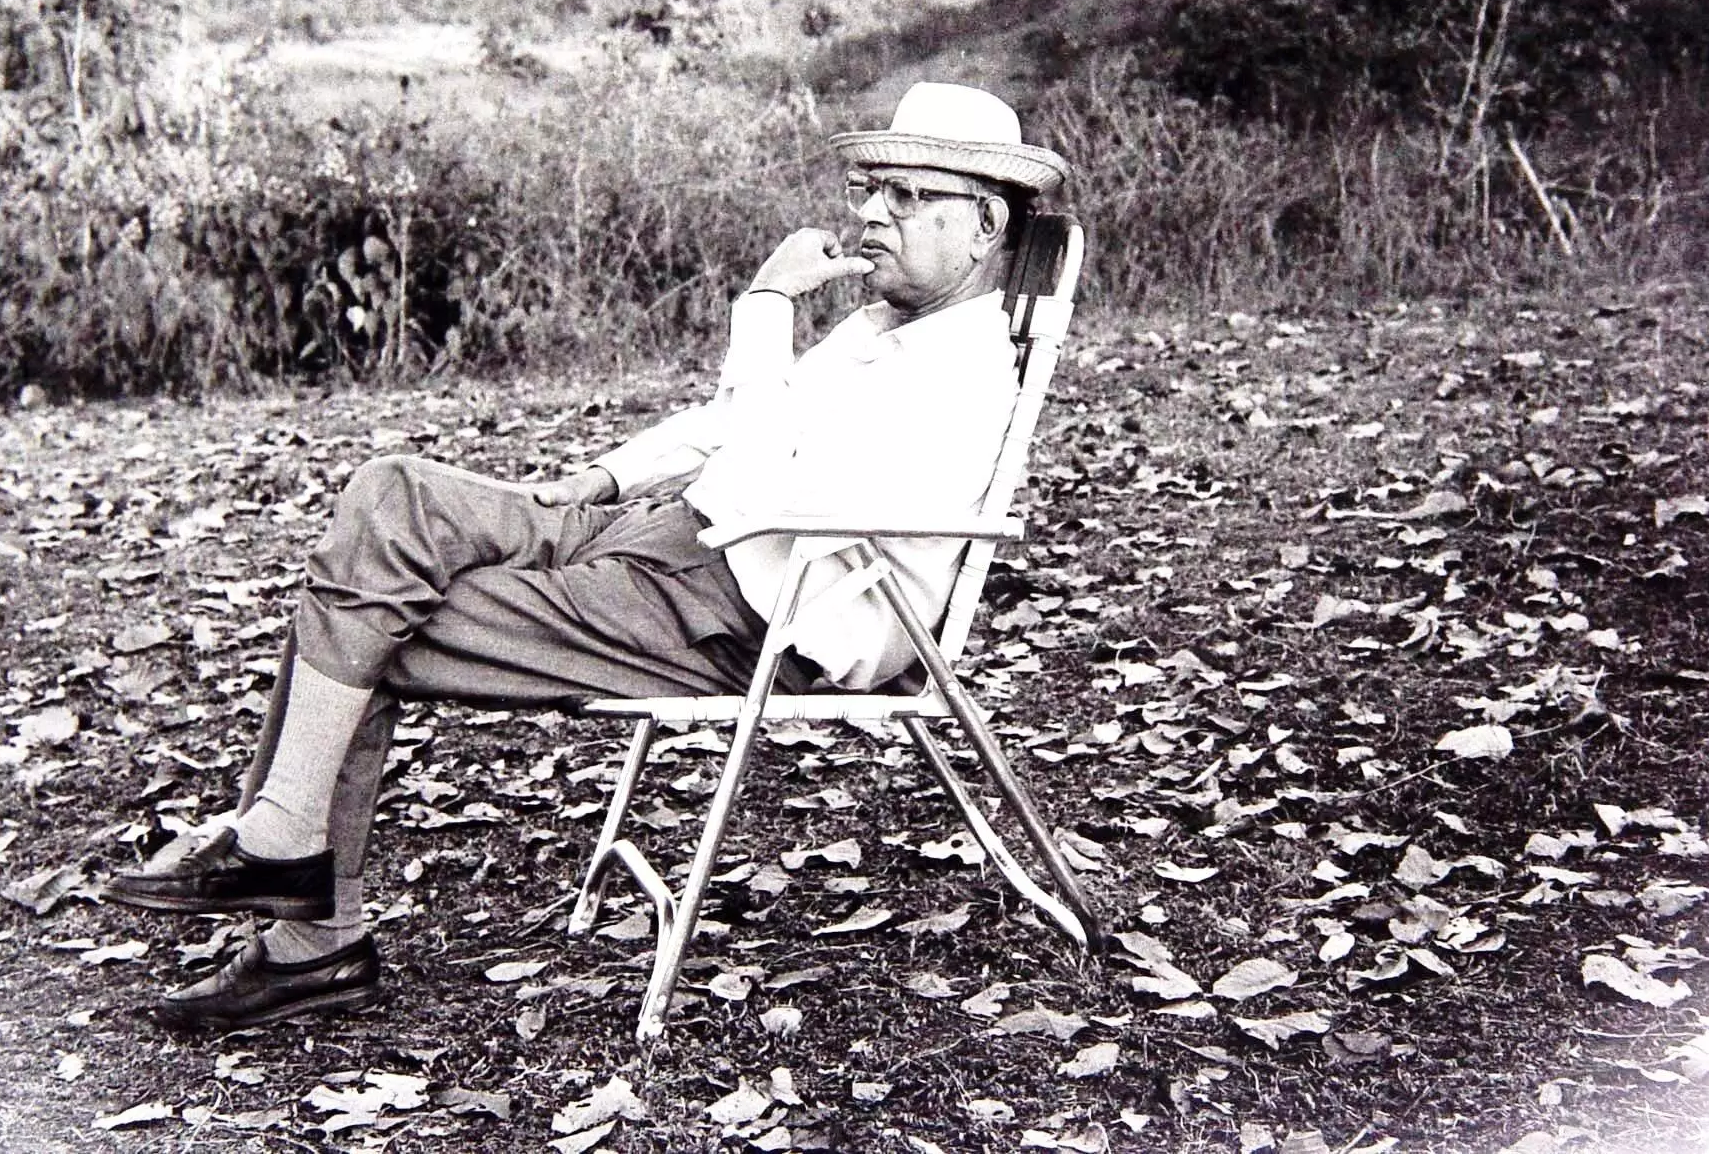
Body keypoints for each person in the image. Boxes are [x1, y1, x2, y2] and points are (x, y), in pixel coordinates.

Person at [101, 81, 1070, 1031]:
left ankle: (306, 928)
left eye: (907, 195)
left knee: (357, 628)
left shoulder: (963, 374)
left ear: (983, 224)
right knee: (391, 498)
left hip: (752, 614)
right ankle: (284, 848)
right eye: (870, 188)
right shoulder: (883, 328)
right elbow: (734, 424)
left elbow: (778, 477)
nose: (871, 214)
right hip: (674, 538)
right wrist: (600, 479)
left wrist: (767, 303)